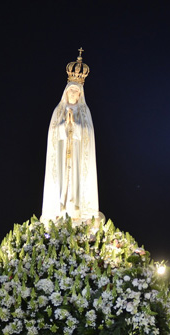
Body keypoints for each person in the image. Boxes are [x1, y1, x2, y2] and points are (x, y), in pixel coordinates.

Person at [41, 49, 100, 223]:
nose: (73, 95)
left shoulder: (84, 112)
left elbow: (88, 134)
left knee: (76, 181)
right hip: (62, 155)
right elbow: (53, 133)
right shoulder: (58, 111)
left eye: (76, 92)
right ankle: (60, 208)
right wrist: (64, 125)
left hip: (78, 156)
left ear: (80, 95)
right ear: (66, 93)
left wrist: (75, 125)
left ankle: (77, 209)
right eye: (70, 92)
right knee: (62, 182)